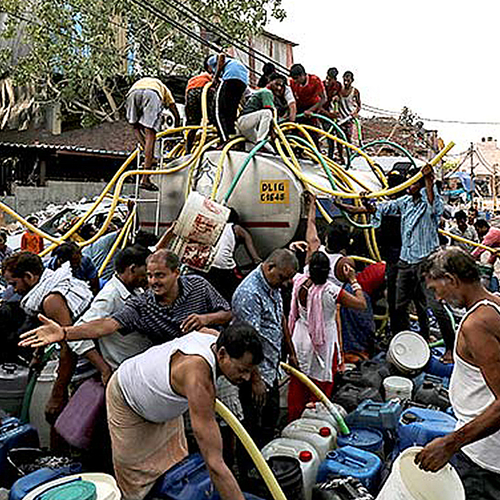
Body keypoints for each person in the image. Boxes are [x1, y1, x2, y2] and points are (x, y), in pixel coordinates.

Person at [335, 165, 455, 361]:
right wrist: (365, 201)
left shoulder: (429, 201)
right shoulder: (405, 202)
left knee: (435, 306)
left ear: (421, 184)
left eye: (413, 181)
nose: (409, 184)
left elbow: (434, 205)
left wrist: (429, 180)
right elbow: (379, 208)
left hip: (427, 263)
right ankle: (403, 343)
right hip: (405, 262)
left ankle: (450, 347)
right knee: (399, 305)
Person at [416, 247, 500, 499]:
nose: (438, 298)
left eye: (435, 289)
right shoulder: (495, 304)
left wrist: (450, 444)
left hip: (482, 458)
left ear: (451, 280)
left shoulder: (476, 324)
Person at [20, 249, 232, 347]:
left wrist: (206, 319)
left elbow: (228, 313)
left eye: (160, 275)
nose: (153, 282)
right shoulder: (143, 305)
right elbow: (105, 324)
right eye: (149, 276)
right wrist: (65, 333)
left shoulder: (198, 285)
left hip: (218, 356)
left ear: (176, 273)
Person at [3, 252, 110, 436]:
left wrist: (57, 395)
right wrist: (38, 355)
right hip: (83, 352)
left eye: (14, 283)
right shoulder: (47, 285)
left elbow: (68, 345)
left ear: (29, 277)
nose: (13, 290)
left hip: (88, 358)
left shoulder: (51, 300)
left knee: (62, 419)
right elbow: (48, 329)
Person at [232, 248, 299, 481]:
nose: (284, 284)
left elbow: (280, 318)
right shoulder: (249, 294)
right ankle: (248, 474)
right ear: (269, 267)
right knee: (250, 425)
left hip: (271, 368)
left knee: (268, 420)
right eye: (282, 277)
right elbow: (248, 343)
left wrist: (291, 352)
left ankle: (269, 464)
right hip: (253, 375)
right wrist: (256, 380)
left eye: (287, 279)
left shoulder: (273, 286)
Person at [287, 251, 367, 421]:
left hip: (300, 338)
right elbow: (361, 304)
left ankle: (293, 422)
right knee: (321, 383)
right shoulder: (332, 291)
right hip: (323, 341)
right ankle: (314, 422)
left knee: (298, 383)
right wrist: (353, 280)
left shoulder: (299, 282)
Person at [77, 245, 153, 370]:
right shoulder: (110, 297)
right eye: (146, 273)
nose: (148, 279)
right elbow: (77, 339)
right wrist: (104, 369)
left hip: (143, 363)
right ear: (133, 269)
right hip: (126, 369)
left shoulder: (136, 290)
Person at [126, 77, 180, 191]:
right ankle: (145, 179)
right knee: (150, 134)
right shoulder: (164, 90)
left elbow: (136, 123)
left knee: (135, 126)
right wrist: (177, 126)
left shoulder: (145, 81)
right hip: (152, 94)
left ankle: (148, 155)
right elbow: (174, 110)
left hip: (133, 92)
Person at [206, 208, 261, 302]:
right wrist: (257, 261)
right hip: (225, 268)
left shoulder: (214, 226)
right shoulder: (236, 228)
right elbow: (253, 255)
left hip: (208, 266)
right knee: (237, 287)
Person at [235, 73, 286, 150]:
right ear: (270, 81)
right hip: (245, 121)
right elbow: (270, 114)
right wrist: (273, 133)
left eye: (281, 86)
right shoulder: (267, 92)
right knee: (267, 112)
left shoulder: (262, 91)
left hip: (247, 127)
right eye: (276, 84)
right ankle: (260, 140)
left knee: (266, 148)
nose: (278, 88)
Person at [207, 53, 249, 144]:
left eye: (210, 71)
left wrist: (215, 77)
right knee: (230, 112)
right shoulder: (234, 63)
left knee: (217, 111)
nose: (211, 73)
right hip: (242, 81)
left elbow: (221, 56)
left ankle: (224, 140)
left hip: (231, 77)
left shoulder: (210, 61)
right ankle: (231, 137)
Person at [185, 56, 215, 153]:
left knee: (193, 123)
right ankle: (219, 143)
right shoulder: (210, 75)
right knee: (215, 118)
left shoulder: (193, 79)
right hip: (204, 90)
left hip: (190, 93)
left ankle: (188, 148)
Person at [335, 71, 361, 162]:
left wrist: (355, 113)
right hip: (340, 118)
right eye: (344, 80)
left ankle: (349, 158)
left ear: (352, 80)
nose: (346, 82)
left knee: (348, 139)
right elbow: (334, 98)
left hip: (349, 118)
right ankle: (341, 157)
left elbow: (359, 105)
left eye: (348, 80)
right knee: (339, 138)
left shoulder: (355, 91)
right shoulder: (339, 90)